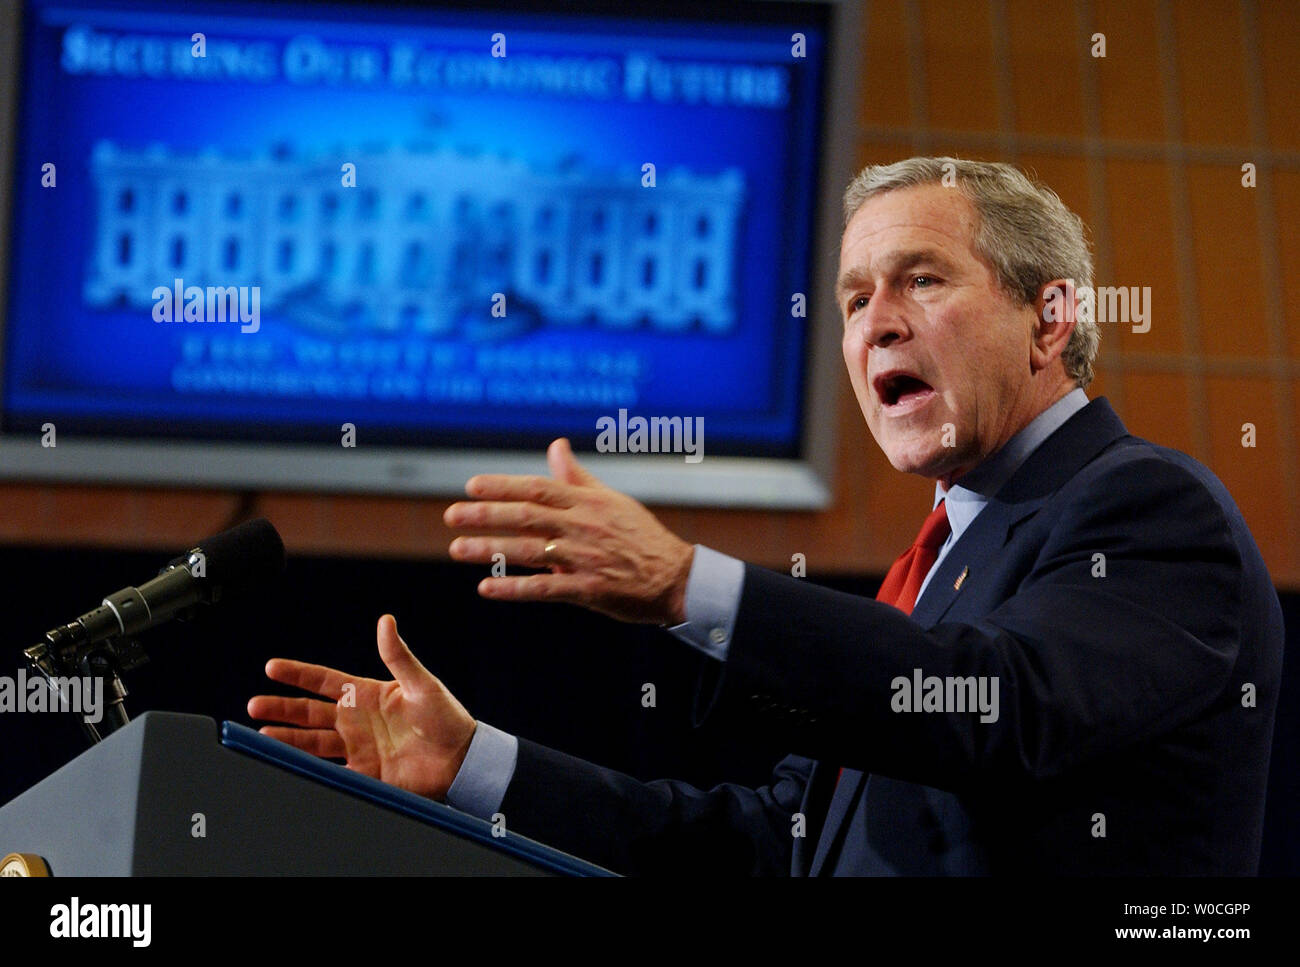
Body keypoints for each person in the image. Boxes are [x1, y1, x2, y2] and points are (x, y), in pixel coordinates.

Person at [248, 157, 1284, 875]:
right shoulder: (939, 566)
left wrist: (688, 585)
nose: (877, 320)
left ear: (1051, 318)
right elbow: (774, 841)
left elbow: (989, 706)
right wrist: (477, 763)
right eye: (852, 298)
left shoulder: (1145, 508)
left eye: (922, 280)